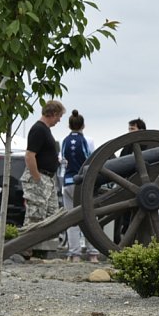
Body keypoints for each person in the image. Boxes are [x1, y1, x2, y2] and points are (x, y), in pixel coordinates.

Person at [20, 100, 65, 251]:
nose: (59, 120)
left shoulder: (45, 130)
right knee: (35, 215)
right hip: (39, 177)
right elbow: (29, 155)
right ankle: (24, 249)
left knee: (52, 214)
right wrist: (37, 178)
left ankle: (43, 247)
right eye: (59, 116)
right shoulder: (38, 129)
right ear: (52, 114)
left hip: (49, 178)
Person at [60, 110, 100, 262]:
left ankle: (74, 253)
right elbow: (90, 160)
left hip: (69, 181)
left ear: (69, 125)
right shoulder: (87, 140)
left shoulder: (64, 140)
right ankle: (93, 253)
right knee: (90, 217)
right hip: (83, 182)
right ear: (83, 125)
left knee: (71, 219)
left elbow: (63, 159)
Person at [115, 117, 148, 243]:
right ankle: (123, 238)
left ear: (142, 130)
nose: (129, 131)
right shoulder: (128, 146)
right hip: (128, 184)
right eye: (129, 129)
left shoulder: (146, 145)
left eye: (132, 129)